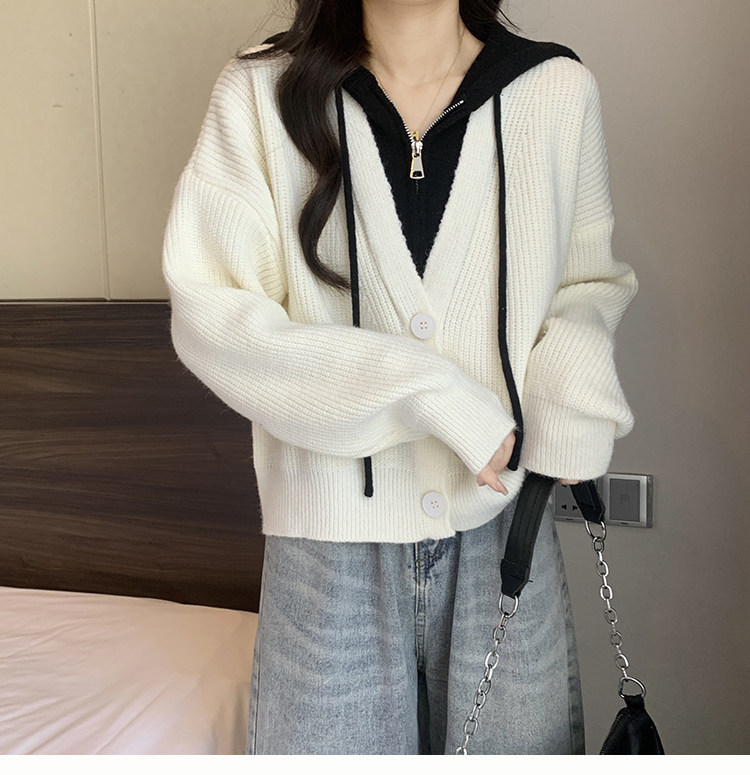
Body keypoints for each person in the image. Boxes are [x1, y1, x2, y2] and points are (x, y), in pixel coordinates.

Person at [162, 0, 638, 756]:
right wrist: (430, 395)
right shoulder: (260, 92)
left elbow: (587, 281)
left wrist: (571, 393)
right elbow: (211, 311)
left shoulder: (554, 89)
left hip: (502, 523)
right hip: (328, 548)